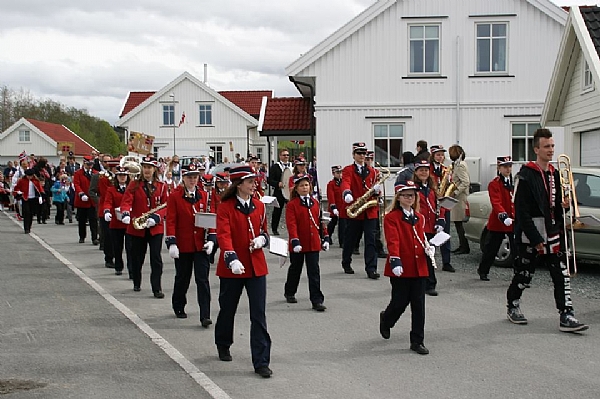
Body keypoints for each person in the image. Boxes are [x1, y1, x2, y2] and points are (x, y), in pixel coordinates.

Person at [506, 129, 588, 332]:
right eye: (546, 146)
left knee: (561, 275)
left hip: (553, 231)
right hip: (530, 233)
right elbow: (522, 212)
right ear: (536, 149)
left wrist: (566, 205)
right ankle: (513, 305)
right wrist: (535, 238)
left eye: (552, 146)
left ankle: (566, 314)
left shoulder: (556, 173)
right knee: (524, 274)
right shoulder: (525, 175)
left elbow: (557, 206)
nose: (551, 150)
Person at [214, 165, 272, 378]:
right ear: (239, 184)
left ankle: (261, 361)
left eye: (254, 180)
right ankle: (223, 342)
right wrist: (230, 257)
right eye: (249, 181)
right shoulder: (226, 207)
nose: (253, 184)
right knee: (228, 308)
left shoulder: (259, 205)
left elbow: (264, 231)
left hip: (256, 266)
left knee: (258, 314)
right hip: (234, 267)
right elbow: (224, 234)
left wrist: (261, 239)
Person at [379, 180, 431, 355]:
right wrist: (395, 259)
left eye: (412, 195)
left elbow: (420, 237)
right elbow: (393, 240)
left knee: (419, 305)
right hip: (402, 265)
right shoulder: (391, 217)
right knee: (399, 302)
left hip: (419, 266)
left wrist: (428, 246)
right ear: (398, 197)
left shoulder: (419, 217)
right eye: (405, 195)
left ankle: (417, 341)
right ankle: (386, 319)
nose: (410, 198)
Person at [165, 164, 216, 326]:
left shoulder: (205, 196)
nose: (193, 180)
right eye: (189, 177)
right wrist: (172, 242)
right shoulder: (175, 196)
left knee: (203, 280)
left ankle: (205, 314)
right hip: (183, 244)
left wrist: (212, 239)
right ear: (183, 178)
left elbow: (211, 218)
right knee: (183, 278)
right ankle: (178, 305)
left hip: (200, 245)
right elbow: (171, 220)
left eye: (195, 177)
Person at [120, 156, 168, 297]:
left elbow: (166, 205)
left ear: (154, 169)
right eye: (145, 167)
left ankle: (156, 288)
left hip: (155, 227)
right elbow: (126, 201)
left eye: (150, 167)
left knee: (156, 258)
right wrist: (125, 213)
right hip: (137, 226)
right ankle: (137, 281)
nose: (147, 170)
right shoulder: (134, 185)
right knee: (137, 257)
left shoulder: (162, 186)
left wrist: (157, 216)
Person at [284, 173, 329, 311]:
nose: (305, 187)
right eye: (301, 185)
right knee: (295, 269)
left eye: (306, 185)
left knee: (314, 272)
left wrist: (325, 237)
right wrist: (295, 240)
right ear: (296, 188)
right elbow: (291, 224)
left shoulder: (315, 203)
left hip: (313, 243)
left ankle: (317, 300)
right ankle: (290, 291)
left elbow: (321, 222)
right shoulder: (292, 205)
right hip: (299, 243)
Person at [340, 142, 381, 279]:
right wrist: (346, 192)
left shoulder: (373, 171)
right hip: (356, 208)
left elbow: (376, 187)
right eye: (359, 153)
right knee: (350, 238)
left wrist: (377, 191)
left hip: (370, 210)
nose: (362, 156)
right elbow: (346, 182)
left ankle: (371, 268)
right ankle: (346, 262)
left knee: (371, 239)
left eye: (364, 153)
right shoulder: (348, 170)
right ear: (353, 155)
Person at [477, 156, 515, 281]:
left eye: (509, 166)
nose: (508, 169)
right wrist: (503, 215)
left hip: (513, 220)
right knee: (491, 249)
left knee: (517, 250)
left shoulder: (515, 182)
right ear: (499, 168)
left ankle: (519, 275)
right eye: (505, 166)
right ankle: (483, 271)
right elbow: (496, 202)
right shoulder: (495, 183)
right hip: (499, 221)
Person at [412, 160, 446, 296]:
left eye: (426, 170)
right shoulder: (413, 189)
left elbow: (440, 205)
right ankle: (421, 282)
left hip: (432, 227)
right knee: (420, 256)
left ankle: (430, 284)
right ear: (416, 172)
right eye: (421, 170)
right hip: (418, 227)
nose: (424, 172)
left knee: (430, 256)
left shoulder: (432, 189)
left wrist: (441, 220)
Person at [102, 166, 133, 277]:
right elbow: (107, 202)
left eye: (124, 175)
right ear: (117, 177)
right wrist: (106, 211)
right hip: (116, 222)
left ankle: (132, 270)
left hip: (129, 222)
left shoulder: (131, 188)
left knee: (131, 248)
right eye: (120, 175)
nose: (122, 177)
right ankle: (118, 266)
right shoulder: (111, 189)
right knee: (117, 247)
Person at [429, 145, 454, 272]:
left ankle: (446, 262)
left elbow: (450, 185)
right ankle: (429, 259)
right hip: (431, 205)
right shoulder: (427, 170)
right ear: (432, 155)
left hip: (444, 204)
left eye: (442, 155)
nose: (440, 157)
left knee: (445, 233)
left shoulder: (446, 170)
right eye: (438, 155)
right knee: (429, 233)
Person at [90, 155, 118, 267]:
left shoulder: (125, 178)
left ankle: (118, 258)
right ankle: (109, 258)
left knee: (118, 237)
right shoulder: (101, 177)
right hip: (106, 209)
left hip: (119, 210)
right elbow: (96, 191)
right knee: (107, 236)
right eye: (116, 168)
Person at [448, 144, 471, 255]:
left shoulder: (460, 165)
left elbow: (465, 182)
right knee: (458, 223)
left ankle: (464, 246)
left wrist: (456, 192)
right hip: (458, 197)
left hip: (460, 197)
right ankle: (462, 245)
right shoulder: (458, 164)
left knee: (459, 223)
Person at [73, 156, 99, 244]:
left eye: (91, 164)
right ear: (84, 163)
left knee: (93, 220)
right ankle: (82, 236)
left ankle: (94, 238)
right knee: (82, 220)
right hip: (82, 200)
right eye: (88, 164)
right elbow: (76, 184)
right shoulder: (78, 173)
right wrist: (81, 193)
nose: (90, 166)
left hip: (92, 200)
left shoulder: (96, 173)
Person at [267, 149, 292, 235]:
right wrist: (277, 183)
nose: (286, 157)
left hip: (290, 192)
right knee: (277, 211)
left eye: (287, 155)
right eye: (284, 155)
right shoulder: (274, 167)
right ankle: (274, 228)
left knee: (291, 211)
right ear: (280, 156)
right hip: (279, 192)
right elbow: (269, 180)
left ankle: (292, 229)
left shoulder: (292, 166)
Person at [12, 169, 44, 234]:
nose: (29, 177)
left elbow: (40, 190)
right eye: (28, 176)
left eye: (31, 176)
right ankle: (26, 228)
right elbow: (16, 188)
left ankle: (29, 226)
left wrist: (41, 197)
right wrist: (18, 192)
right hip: (25, 198)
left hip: (33, 199)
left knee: (31, 213)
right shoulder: (21, 181)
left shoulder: (36, 181)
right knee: (26, 213)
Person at [326, 165, 345, 247]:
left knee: (342, 225)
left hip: (343, 207)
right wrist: (333, 207)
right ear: (333, 173)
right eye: (338, 172)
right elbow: (331, 196)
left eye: (341, 172)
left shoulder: (344, 183)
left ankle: (342, 242)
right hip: (335, 207)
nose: (340, 174)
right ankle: (327, 236)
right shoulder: (331, 184)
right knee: (332, 224)